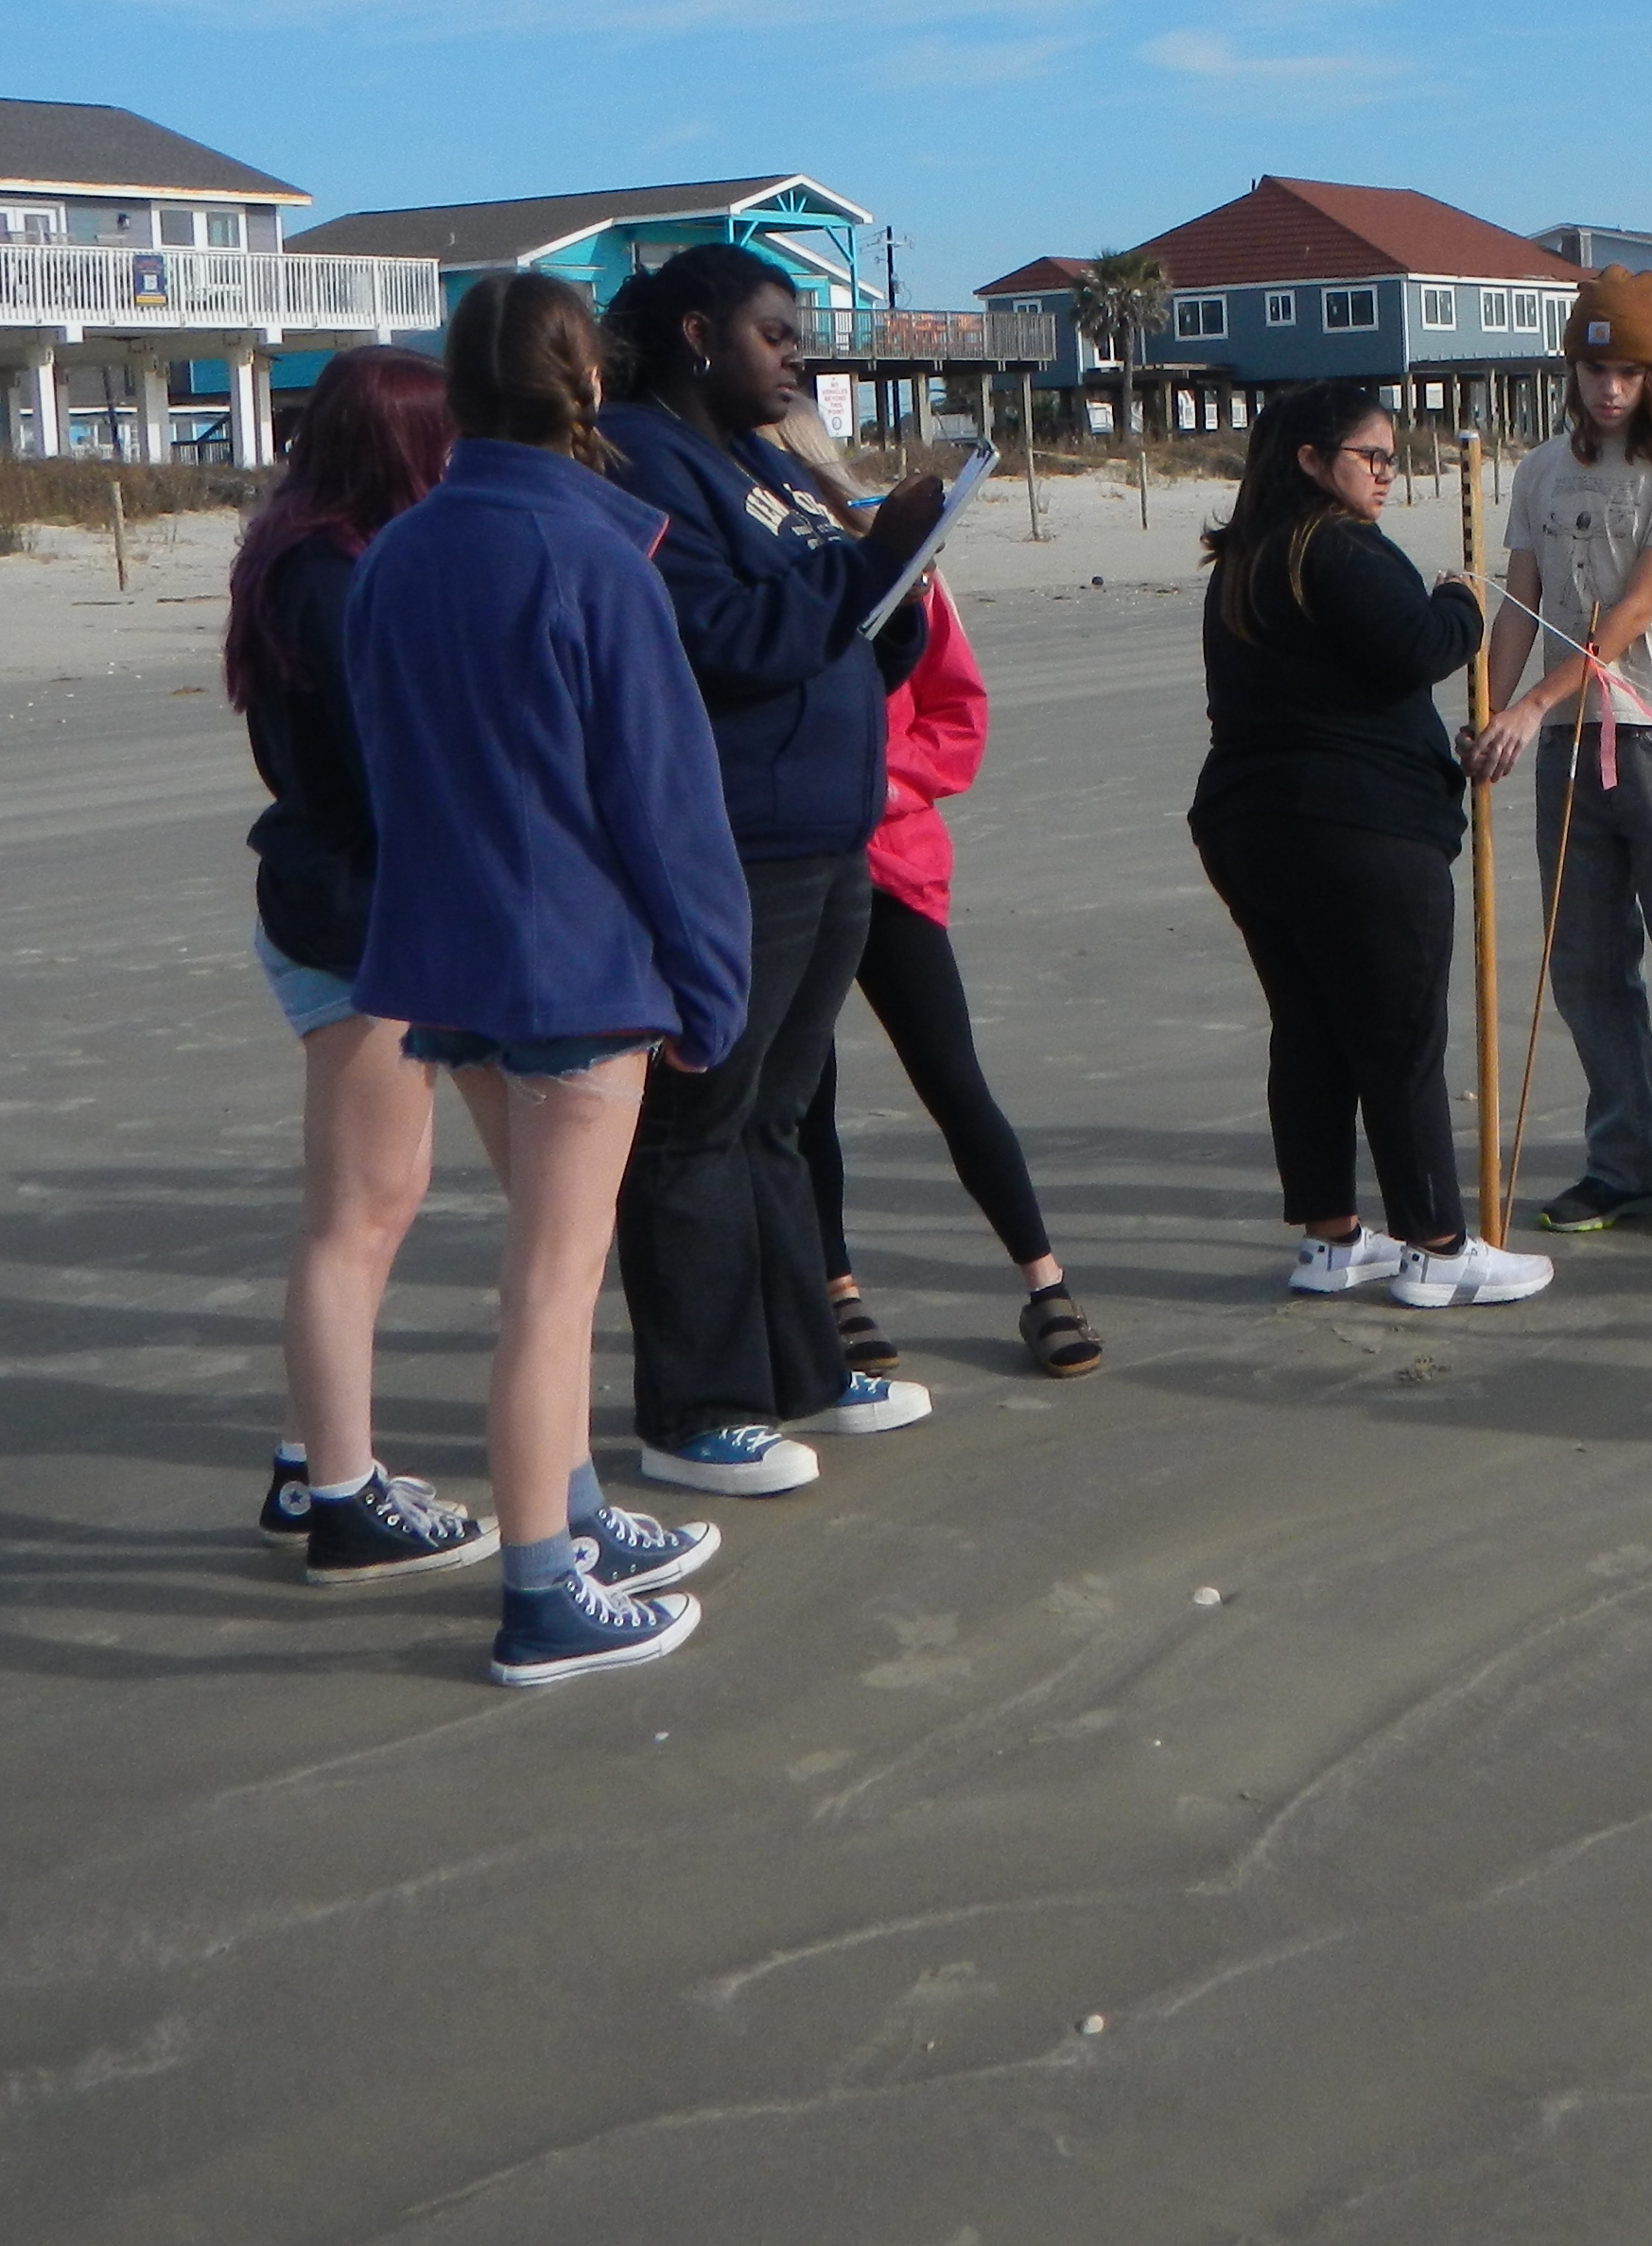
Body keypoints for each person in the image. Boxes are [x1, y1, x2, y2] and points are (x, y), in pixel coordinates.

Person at [341, 271, 756, 1683]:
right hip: (571, 966)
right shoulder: (593, 560)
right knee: (554, 1286)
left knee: (550, 1268)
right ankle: (540, 1589)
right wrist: (713, 986)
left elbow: (385, 767)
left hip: (450, 957)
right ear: (585, 388)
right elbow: (668, 805)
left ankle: (569, 1509)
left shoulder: (396, 554)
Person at [593, 245, 948, 1494]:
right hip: (734, 843)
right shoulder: (639, 457)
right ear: (699, 334)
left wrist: (898, 572)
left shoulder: (755, 458)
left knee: (782, 1117)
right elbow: (728, 640)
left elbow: (842, 627)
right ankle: (695, 1409)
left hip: (828, 832)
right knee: (698, 1124)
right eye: (775, 334)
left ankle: (801, 1365)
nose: (795, 357)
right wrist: (866, 563)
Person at [1191, 379, 1554, 1308]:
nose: (1388, 475)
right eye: (1373, 457)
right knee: (1396, 1037)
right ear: (1312, 460)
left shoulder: (1246, 557)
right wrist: (1464, 602)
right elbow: (1418, 647)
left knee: (1311, 1032)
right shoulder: (1333, 543)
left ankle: (1333, 1239)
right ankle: (1434, 1244)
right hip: (1352, 831)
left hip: (1254, 827)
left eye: (1394, 458)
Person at [228, 345, 492, 1585]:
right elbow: (396, 770)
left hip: (338, 898)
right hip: (358, 914)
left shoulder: (303, 551)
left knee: (369, 1202)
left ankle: (309, 1460)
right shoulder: (334, 575)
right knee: (362, 1211)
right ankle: (340, 1493)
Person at [1466, 267, 1652, 1244]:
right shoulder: (1539, 470)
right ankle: (1624, 1164)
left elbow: (1634, 610)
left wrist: (1541, 697)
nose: (1610, 388)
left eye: (1629, 371)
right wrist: (1490, 709)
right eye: (1596, 367)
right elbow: (1520, 603)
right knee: (1589, 967)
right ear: (1574, 369)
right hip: (1561, 749)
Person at [798, 571, 1100, 1381]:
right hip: (784, 865)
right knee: (804, 1097)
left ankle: (1046, 1281)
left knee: (953, 1079)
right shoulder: (744, 566)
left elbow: (957, 718)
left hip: (892, 860)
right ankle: (836, 1288)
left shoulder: (907, 580)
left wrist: (879, 785)